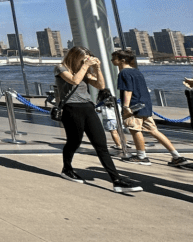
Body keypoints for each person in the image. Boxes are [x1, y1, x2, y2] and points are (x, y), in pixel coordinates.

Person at [55, 46, 141, 193]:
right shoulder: (61, 68)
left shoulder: (85, 70)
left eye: (88, 58)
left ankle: (116, 180)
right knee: (74, 142)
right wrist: (86, 66)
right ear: (75, 56)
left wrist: (97, 69)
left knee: (101, 144)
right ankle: (67, 168)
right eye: (84, 58)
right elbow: (74, 81)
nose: (86, 60)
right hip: (71, 109)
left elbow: (101, 86)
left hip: (88, 107)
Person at [112, 48, 187, 167]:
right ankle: (176, 156)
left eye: (114, 58)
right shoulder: (136, 72)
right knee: (154, 131)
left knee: (135, 130)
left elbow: (128, 90)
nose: (112, 60)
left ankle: (142, 157)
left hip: (133, 106)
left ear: (122, 60)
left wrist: (126, 106)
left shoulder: (123, 73)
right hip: (145, 105)